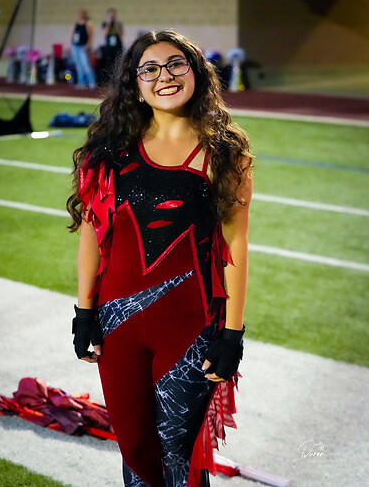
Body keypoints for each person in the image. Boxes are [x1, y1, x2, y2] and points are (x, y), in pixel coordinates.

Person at [67, 30, 253, 487]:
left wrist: (232, 334)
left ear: (196, 73)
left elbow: (235, 245)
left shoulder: (225, 152)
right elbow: (91, 233)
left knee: (179, 459)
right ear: (134, 84)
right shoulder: (108, 150)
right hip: (117, 325)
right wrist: (84, 312)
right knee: (135, 451)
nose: (164, 76)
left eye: (175, 64)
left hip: (189, 327)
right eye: (149, 69)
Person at [70, 8, 96, 89]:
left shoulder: (87, 24)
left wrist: (87, 45)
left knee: (85, 64)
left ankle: (91, 81)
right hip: (75, 46)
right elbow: (73, 34)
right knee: (78, 65)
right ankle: (81, 82)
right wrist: (71, 43)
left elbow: (90, 36)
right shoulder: (76, 24)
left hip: (83, 46)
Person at [97, 8, 124, 84]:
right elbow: (105, 33)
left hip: (117, 46)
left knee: (117, 63)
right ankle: (108, 79)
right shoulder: (105, 24)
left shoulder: (118, 24)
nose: (112, 17)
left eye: (113, 15)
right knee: (108, 63)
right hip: (108, 47)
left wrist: (116, 25)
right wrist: (108, 23)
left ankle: (117, 79)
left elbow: (121, 34)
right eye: (110, 15)